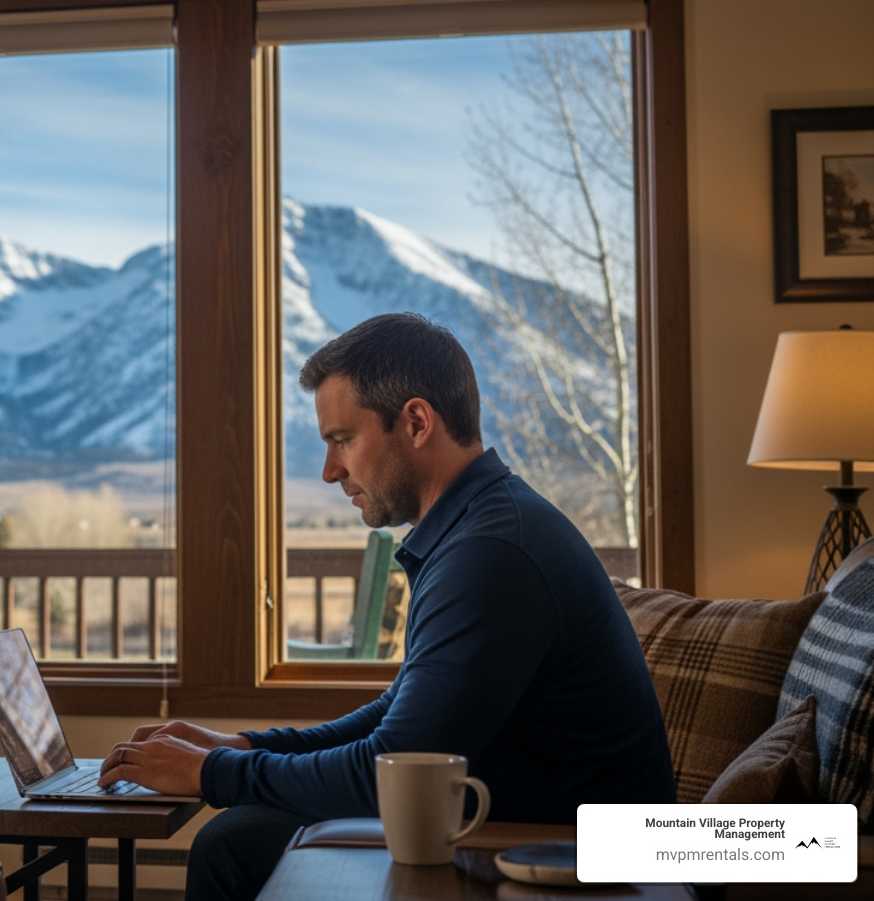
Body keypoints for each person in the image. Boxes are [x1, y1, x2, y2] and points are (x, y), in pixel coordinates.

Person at [97, 312, 674, 901]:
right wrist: (244, 747)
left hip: (591, 860)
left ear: (417, 422)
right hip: (539, 833)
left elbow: (392, 766)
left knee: (233, 844)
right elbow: (396, 715)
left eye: (342, 440)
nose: (330, 472)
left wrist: (211, 773)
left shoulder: (492, 553)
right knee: (244, 834)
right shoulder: (480, 528)